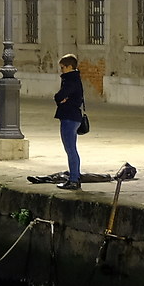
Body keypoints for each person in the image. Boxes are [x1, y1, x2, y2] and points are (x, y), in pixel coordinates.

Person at [54, 54, 84, 187]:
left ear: (69, 67)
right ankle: (74, 177)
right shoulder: (74, 79)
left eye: (62, 68)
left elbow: (59, 96)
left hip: (69, 118)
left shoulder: (70, 80)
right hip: (73, 116)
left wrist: (61, 99)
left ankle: (74, 179)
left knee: (71, 149)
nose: (61, 71)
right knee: (71, 149)